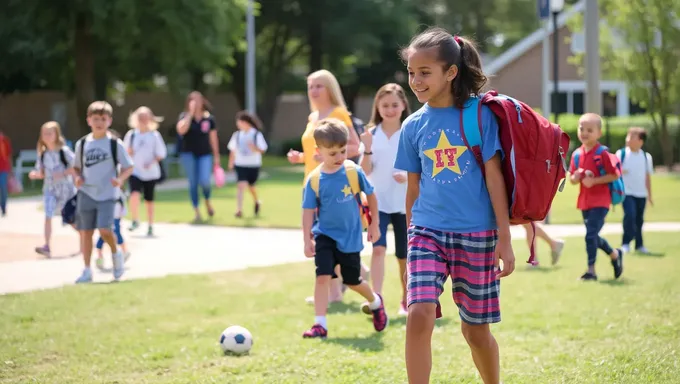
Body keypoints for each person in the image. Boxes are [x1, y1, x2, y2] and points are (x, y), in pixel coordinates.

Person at [394, 28, 516, 384]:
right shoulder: (412, 125)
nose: (415, 81)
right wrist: (408, 246)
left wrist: (505, 239)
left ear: (451, 72)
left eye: (425, 72)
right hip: (427, 232)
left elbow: (495, 180)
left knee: (475, 332)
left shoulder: (480, 116)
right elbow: (412, 190)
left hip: (477, 234)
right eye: (411, 72)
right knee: (419, 314)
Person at [301, 118, 388, 338]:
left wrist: (374, 224)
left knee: (352, 280)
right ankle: (320, 324)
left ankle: (376, 301)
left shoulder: (353, 171)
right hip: (324, 236)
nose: (339, 157)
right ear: (318, 151)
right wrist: (306, 239)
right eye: (333, 154)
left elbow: (371, 195)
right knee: (322, 276)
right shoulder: (314, 180)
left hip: (350, 238)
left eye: (342, 151)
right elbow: (308, 212)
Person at [286, 69, 367, 305]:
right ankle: (354, 277)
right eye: (311, 86)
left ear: (330, 88)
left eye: (319, 86)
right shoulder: (313, 117)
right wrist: (300, 157)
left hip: (335, 184)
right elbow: (315, 152)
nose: (314, 90)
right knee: (323, 237)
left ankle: (334, 293)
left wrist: (330, 157)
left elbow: (354, 146)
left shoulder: (339, 113)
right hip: (312, 184)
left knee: (327, 237)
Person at [359, 83, 412, 316]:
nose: (390, 109)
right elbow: (364, 170)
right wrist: (368, 149)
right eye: (385, 105)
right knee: (378, 250)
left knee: (404, 255)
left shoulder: (410, 131)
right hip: (377, 202)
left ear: (403, 106)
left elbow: (422, 167)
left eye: (394, 105)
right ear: (377, 108)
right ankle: (376, 300)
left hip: (404, 204)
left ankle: (406, 299)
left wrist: (408, 177)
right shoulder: (370, 134)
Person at [73, 101, 134, 283]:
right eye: (95, 118)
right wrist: (77, 177)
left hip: (108, 194)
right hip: (86, 193)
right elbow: (76, 167)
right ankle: (86, 270)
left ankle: (116, 256)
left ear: (109, 121)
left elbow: (129, 167)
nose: (99, 122)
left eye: (103, 118)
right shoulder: (82, 144)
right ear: (88, 120)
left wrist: (120, 180)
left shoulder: (115, 143)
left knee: (105, 230)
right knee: (86, 232)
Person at [568, 113, 623, 281]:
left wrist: (595, 181)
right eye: (581, 128)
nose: (584, 132)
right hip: (585, 202)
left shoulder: (603, 153)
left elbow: (615, 175)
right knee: (593, 236)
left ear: (599, 133)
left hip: (601, 201)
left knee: (590, 235)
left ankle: (591, 271)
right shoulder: (577, 155)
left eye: (589, 130)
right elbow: (571, 178)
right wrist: (575, 178)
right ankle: (614, 254)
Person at [28, 121, 79, 257]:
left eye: (50, 133)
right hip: (50, 190)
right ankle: (47, 246)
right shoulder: (43, 154)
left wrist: (63, 173)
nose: (47, 136)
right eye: (44, 133)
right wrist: (35, 174)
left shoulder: (64, 151)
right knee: (48, 215)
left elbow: (76, 167)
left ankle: (85, 239)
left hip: (66, 191)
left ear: (56, 134)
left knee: (70, 219)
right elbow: (41, 171)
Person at [175, 91, 221, 223]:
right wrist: (190, 114)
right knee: (193, 183)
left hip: (205, 154)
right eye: (193, 100)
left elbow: (213, 138)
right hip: (188, 154)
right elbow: (181, 130)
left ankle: (207, 200)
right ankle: (197, 211)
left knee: (205, 181)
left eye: (198, 100)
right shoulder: (184, 117)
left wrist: (216, 156)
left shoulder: (209, 119)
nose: (196, 103)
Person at [124, 106, 167, 236]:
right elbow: (124, 152)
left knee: (149, 200)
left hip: (150, 173)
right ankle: (135, 219)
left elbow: (161, 153)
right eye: (140, 118)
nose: (143, 120)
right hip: (135, 171)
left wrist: (152, 162)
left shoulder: (154, 135)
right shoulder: (131, 135)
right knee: (134, 195)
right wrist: (129, 152)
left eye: (146, 118)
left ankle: (150, 224)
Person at [616, 127, 653, 254]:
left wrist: (650, 195)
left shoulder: (646, 157)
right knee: (630, 215)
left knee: (639, 219)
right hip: (626, 192)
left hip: (641, 193)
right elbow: (613, 171)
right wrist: (620, 171)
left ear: (640, 141)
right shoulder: (621, 154)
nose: (628, 139)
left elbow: (647, 177)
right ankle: (625, 243)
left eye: (632, 137)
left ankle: (639, 245)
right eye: (628, 136)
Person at [227, 111, 268, 218]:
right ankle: (239, 209)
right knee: (241, 185)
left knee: (251, 186)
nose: (238, 124)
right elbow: (233, 149)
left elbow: (263, 149)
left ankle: (256, 201)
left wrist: (254, 148)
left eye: (240, 121)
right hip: (240, 164)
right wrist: (231, 163)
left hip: (253, 165)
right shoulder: (237, 135)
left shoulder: (256, 134)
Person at [95, 188, 130, 268]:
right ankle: (100, 257)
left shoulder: (118, 192)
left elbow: (122, 204)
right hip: (105, 217)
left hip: (115, 217)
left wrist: (122, 214)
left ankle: (124, 252)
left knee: (117, 234)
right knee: (102, 236)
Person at [0, 130, 12, 217]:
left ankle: (3, 208)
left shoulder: (4, 141)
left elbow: (8, 155)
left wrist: (11, 169)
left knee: (3, 188)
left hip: (3, 168)